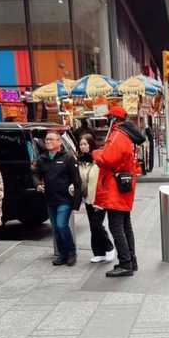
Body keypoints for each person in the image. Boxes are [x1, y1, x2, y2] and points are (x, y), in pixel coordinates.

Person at [94, 105, 145, 278]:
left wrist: (96, 154)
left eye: (109, 118)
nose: (107, 121)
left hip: (115, 187)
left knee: (116, 226)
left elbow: (108, 159)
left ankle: (125, 263)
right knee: (124, 225)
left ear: (114, 119)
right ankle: (131, 260)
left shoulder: (118, 135)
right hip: (123, 185)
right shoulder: (128, 136)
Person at [33, 131, 84, 266]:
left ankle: (71, 252)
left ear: (59, 142)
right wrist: (38, 184)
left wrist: (77, 202)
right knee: (56, 228)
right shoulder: (42, 159)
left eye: (51, 139)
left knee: (62, 226)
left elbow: (77, 180)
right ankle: (62, 254)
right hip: (50, 199)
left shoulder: (68, 158)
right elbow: (35, 173)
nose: (48, 141)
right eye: (46, 139)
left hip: (65, 200)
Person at [76, 135, 115, 264]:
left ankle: (109, 247)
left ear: (91, 145)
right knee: (93, 226)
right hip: (88, 199)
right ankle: (99, 252)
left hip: (99, 199)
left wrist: (103, 199)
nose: (83, 147)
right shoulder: (80, 161)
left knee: (96, 224)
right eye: (81, 144)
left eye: (85, 144)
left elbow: (105, 180)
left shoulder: (98, 160)